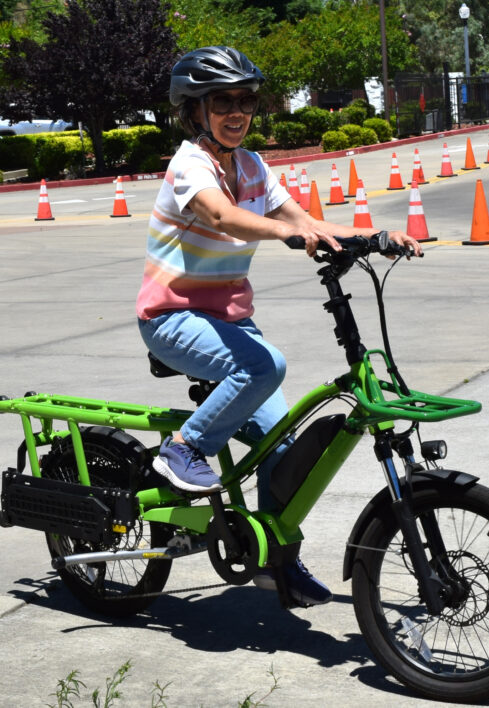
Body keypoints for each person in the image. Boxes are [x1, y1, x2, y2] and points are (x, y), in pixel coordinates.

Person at [136, 46, 422, 607]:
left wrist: (374, 237)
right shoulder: (190, 165)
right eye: (223, 101)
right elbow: (222, 216)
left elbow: (304, 221)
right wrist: (282, 235)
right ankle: (183, 449)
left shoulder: (251, 166)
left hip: (227, 319)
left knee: (280, 443)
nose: (237, 111)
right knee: (266, 365)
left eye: (246, 100)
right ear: (196, 109)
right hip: (171, 318)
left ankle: (275, 565)